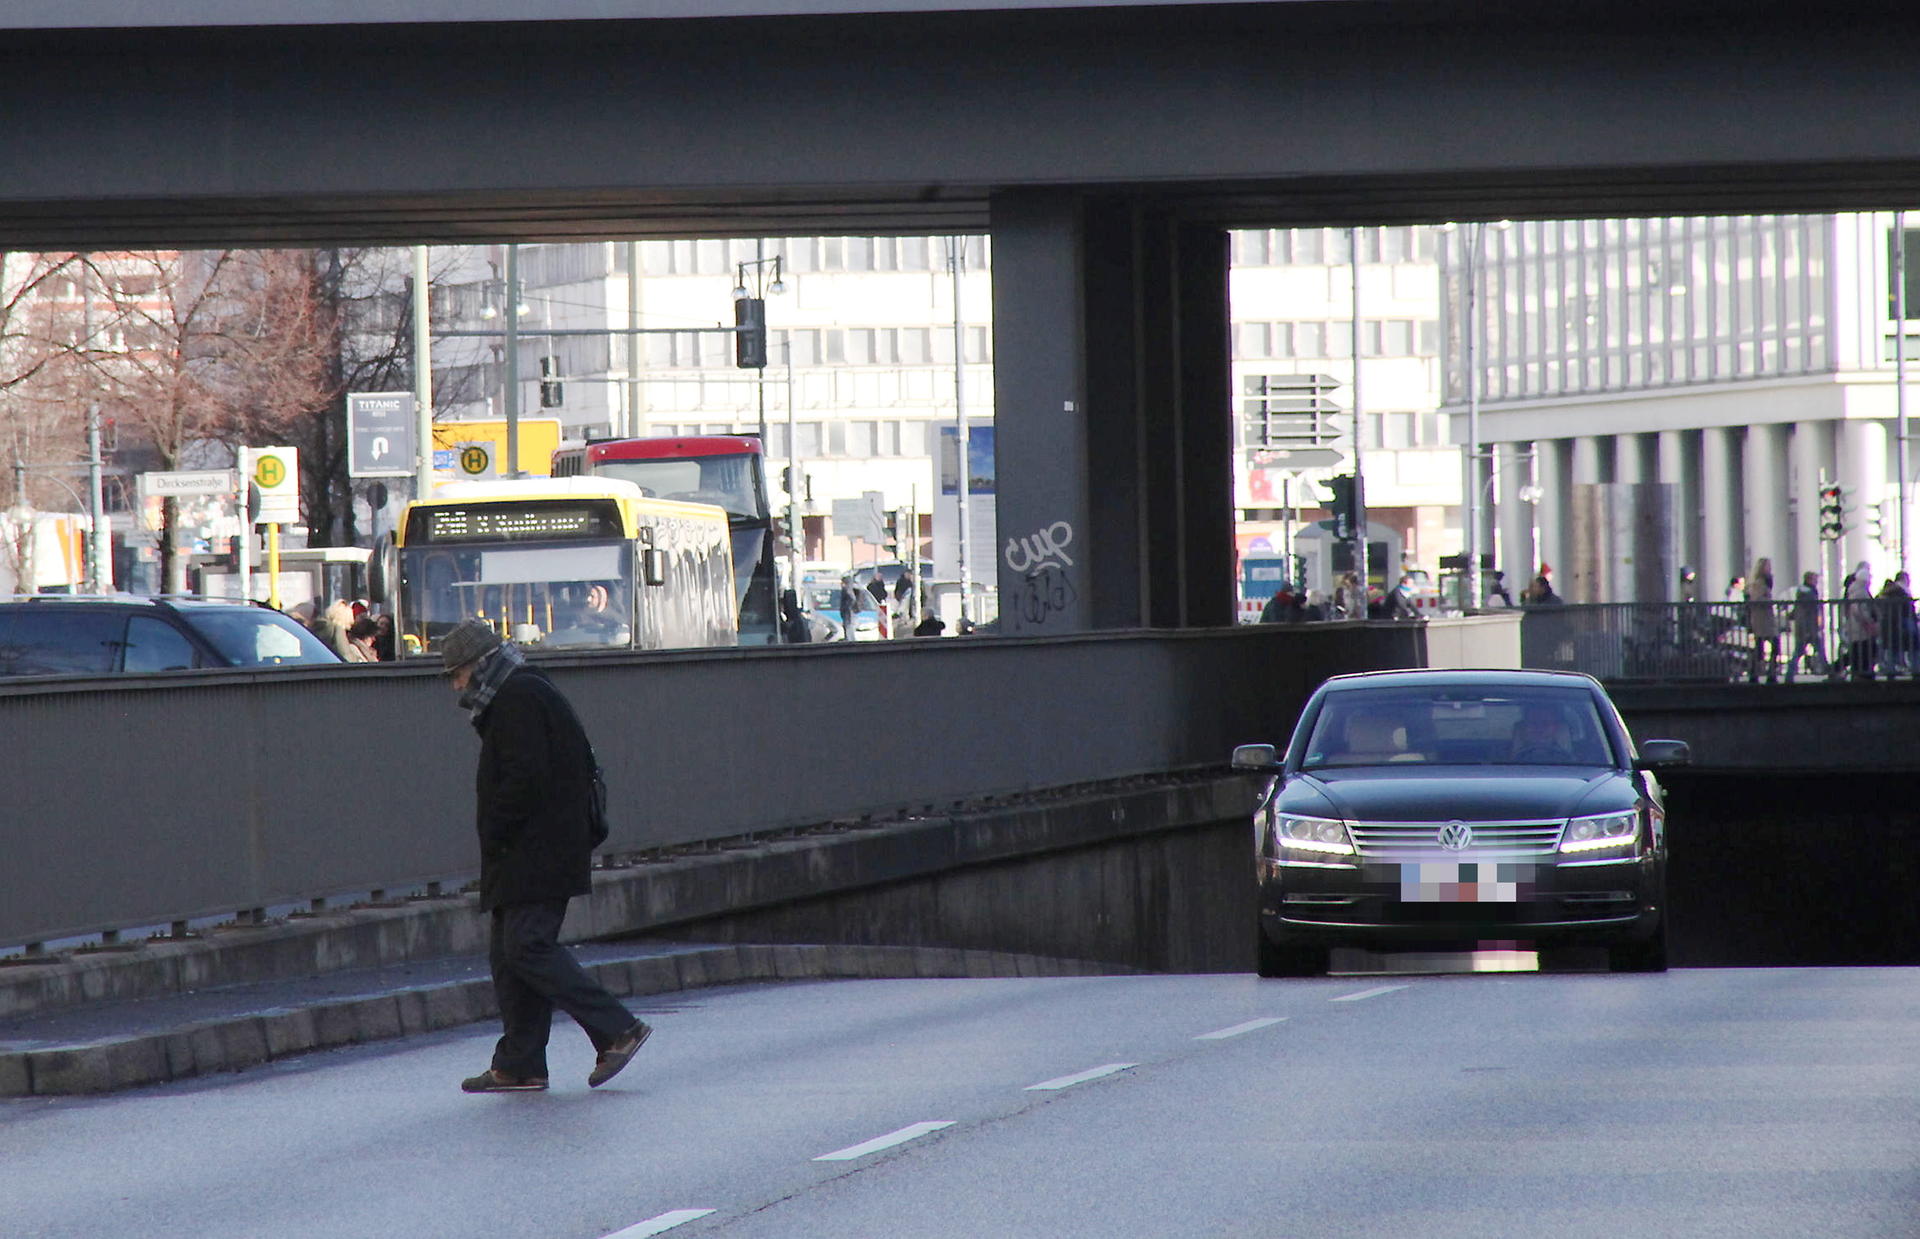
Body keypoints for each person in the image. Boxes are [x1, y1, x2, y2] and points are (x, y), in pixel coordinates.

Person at [439, 618, 651, 1094]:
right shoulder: (522, 691)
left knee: (527, 948)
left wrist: (495, 828)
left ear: (477, 667)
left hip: (536, 850)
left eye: (455, 674)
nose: (455, 686)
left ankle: (617, 1029)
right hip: (533, 849)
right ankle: (519, 1063)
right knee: (510, 955)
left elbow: (524, 779)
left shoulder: (517, 699)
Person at [1744, 558, 1779, 683]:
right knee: (1769, 645)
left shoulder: (1765, 582)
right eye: (1767, 566)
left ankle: (1760, 673)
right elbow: (1756, 599)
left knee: (1762, 646)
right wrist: (1770, 602)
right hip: (1761, 619)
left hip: (1765, 619)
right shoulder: (1758, 583)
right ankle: (1765, 673)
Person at [1786, 570, 1825, 682]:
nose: (1816, 582)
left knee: (1800, 651)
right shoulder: (1808, 594)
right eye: (1815, 579)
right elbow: (1808, 612)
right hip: (1808, 627)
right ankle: (1829, 670)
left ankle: (1790, 674)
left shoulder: (1803, 593)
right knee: (1816, 649)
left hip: (1805, 627)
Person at [1843, 562, 1878, 681]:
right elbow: (1858, 609)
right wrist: (1867, 621)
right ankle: (1863, 672)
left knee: (1858, 649)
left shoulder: (1853, 590)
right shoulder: (1860, 592)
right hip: (1860, 626)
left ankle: (1859, 672)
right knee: (1863, 649)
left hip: (1856, 626)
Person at [1509, 702, 1574, 762]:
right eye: (1533, 723)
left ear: (1555, 727)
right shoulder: (1502, 756)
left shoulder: (1571, 761)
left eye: (1545, 723)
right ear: (1524, 726)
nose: (1539, 728)